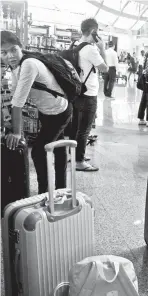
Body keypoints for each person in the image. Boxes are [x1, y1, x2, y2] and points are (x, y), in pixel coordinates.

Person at [1, 30, 72, 193]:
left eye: (13, 50)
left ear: (21, 47)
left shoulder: (28, 64)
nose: (10, 56)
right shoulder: (16, 66)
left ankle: (44, 193)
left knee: (39, 152)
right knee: (58, 147)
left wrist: (17, 134)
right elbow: (15, 96)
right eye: (3, 53)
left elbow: (17, 102)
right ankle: (61, 189)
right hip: (46, 112)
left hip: (60, 111)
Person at [71, 18, 109, 172]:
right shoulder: (91, 49)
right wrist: (102, 48)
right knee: (84, 129)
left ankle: (73, 155)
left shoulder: (75, 45)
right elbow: (105, 69)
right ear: (93, 32)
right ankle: (79, 161)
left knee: (75, 127)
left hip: (76, 92)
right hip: (89, 93)